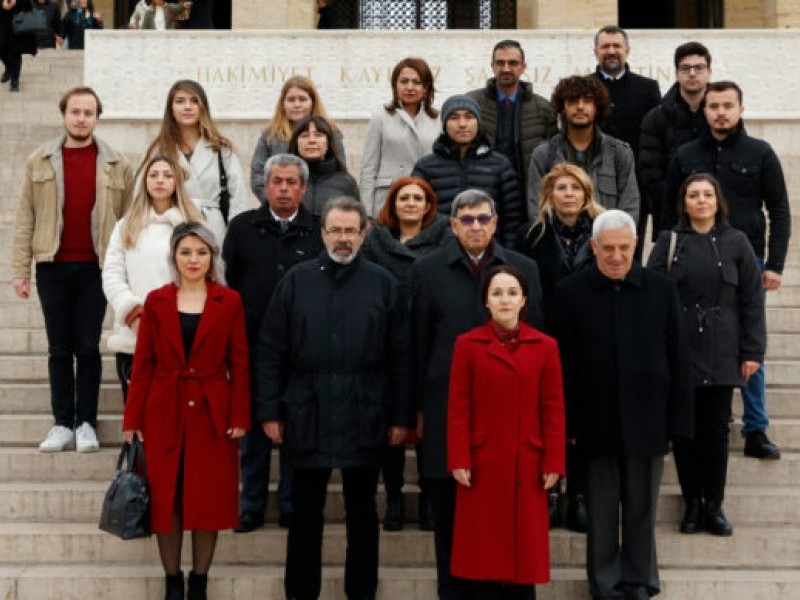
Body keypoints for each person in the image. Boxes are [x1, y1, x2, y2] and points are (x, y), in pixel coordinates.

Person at [254, 197, 414, 600]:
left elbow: (402, 356)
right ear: (322, 233)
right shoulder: (295, 281)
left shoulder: (384, 284)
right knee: (304, 514)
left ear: (364, 233)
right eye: (335, 230)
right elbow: (271, 351)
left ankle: (361, 593)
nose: (343, 238)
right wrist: (270, 411)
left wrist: (401, 417)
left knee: (363, 512)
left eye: (350, 231)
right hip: (306, 413)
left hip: (366, 413)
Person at [551, 209, 692, 600]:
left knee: (642, 507)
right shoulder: (569, 292)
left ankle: (639, 580)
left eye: (624, 248)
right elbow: (561, 366)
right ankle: (605, 583)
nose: (616, 256)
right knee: (600, 509)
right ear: (593, 246)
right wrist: (568, 425)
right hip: (593, 423)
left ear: (636, 246)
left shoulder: (661, 290)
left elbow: (679, 358)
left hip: (648, 419)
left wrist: (678, 422)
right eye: (608, 248)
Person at [411, 189, 543, 599]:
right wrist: (415, 409)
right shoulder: (427, 271)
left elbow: (537, 341)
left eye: (483, 219)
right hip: (445, 411)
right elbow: (415, 344)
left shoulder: (523, 269)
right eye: (466, 220)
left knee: (505, 513)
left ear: (495, 222)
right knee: (450, 510)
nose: (475, 227)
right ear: (452, 225)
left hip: (508, 419)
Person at [123, 221, 249, 600]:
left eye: (201, 252)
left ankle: (199, 583)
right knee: (168, 499)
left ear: (212, 257)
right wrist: (132, 418)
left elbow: (240, 362)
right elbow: (143, 364)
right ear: (174, 257)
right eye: (186, 252)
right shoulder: (157, 300)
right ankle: (172, 582)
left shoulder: (229, 301)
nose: (193, 259)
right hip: (164, 409)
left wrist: (240, 415)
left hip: (213, 413)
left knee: (206, 500)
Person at [665, 80, 791, 460]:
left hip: (746, 262)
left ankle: (755, 428)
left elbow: (780, 211)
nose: (721, 112)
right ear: (704, 110)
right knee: (687, 343)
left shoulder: (761, 153)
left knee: (749, 343)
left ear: (741, 109)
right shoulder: (685, 155)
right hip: (692, 264)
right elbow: (670, 212)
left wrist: (775, 264)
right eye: (714, 106)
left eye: (728, 106)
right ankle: (683, 422)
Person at [11, 86, 134, 453]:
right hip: (52, 266)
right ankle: (62, 423)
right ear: (64, 114)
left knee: (88, 347)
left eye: (88, 112)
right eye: (75, 112)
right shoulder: (39, 160)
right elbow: (25, 218)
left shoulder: (118, 163)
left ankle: (86, 423)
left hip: (97, 268)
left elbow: (129, 222)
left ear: (97, 117)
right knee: (59, 348)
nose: (81, 118)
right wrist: (20, 270)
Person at [648, 173, 765, 537]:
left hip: (722, 349)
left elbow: (752, 301)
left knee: (716, 431)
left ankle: (714, 505)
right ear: (683, 203)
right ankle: (692, 504)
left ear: (718, 201)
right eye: (693, 195)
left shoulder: (737, 242)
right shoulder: (668, 242)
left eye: (707, 195)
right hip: (680, 351)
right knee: (685, 432)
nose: (701, 201)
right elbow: (651, 299)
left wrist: (752, 350)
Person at [448, 265, 565, 600]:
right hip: (482, 462)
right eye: (497, 293)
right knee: (483, 552)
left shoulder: (545, 346)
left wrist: (554, 461)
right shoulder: (467, 345)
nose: (505, 300)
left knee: (523, 555)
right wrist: (458, 457)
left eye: (512, 293)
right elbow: (458, 407)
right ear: (486, 300)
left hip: (527, 462)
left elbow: (553, 409)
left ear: (524, 300)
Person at [223, 153, 324, 534]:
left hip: (302, 350)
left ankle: (290, 504)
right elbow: (229, 284)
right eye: (277, 181)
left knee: (295, 429)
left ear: (304, 188)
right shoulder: (242, 227)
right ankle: (251, 505)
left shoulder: (318, 230)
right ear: (265, 186)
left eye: (291, 182)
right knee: (253, 432)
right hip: (251, 347)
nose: (283, 188)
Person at [514, 162, 603, 533]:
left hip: (588, 339)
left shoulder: (601, 233)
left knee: (581, 418)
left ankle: (578, 494)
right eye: (561, 188)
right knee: (543, 417)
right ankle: (549, 493)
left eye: (575, 188)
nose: (569, 194)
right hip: (543, 335)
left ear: (586, 195)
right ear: (549, 195)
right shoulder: (531, 235)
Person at [360, 175, 451, 532]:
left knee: (430, 424)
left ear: (428, 205)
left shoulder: (445, 239)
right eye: (403, 198)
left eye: (417, 198)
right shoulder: (375, 241)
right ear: (393, 205)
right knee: (393, 425)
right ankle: (394, 496)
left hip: (430, 343)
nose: (410, 204)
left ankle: (429, 498)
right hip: (388, 345)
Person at [102, 155, 203, 402]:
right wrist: (134, 315)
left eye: (168, 175)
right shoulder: (125, 226)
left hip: (181, 335)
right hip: (135, 336)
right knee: (138, 415)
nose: (160, 180)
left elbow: (203, 275)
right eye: (153, 175)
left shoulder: (194, 226)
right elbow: (113, 275)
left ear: (177, 182)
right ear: (144, 181)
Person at [140, 79, 250, 245]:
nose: (187, 107)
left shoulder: (222, 150)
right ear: (171, 108)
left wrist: (236, 240)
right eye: (180, 101)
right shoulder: (157, 150)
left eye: (194, 101)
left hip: (212, 229)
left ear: (203, 107)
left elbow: (238, 199)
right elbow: (140, 197)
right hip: (168, 229)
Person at [412, 95, 525, 247]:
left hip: (489, 251)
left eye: (469, 117)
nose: (462, 124)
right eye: (454, 118)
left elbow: (512, 218)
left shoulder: (500, 165)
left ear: (478, 122)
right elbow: (417, 215)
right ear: (444, 124)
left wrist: (505, 253)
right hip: (440, 251)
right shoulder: (425, 167)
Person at [527, 75, 639, 225]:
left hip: (605, 237)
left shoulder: (619, 153)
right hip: (558, 237)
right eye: (573, 101)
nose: (580, 106)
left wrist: (612, 236)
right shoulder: (544, 154)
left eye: (587, 101)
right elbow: (536, 207)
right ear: (563, 107)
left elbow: (629, 206)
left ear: (597, 107)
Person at [639, 42, 712, 238]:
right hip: (671, 220)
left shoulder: (722, 115)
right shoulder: (656, 118)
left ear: (709, 72)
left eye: (699, 68)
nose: (692, 73)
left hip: (717, 219)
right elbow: (650, 173)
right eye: (685, 68)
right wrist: (683, 205)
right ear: (677, 73)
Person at [467, 39, 557, 190]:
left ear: (523, 67)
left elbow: (553, 154)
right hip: (483, 190)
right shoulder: (473, 103)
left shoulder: (543, 108)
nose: (506, 69)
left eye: (513, 63)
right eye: (500, 63)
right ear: (492, 66)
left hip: (527, 191)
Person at [359, 56, 440, 217]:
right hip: (387, 199)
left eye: (416, 82)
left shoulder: (438, 119)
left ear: (426, 88)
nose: (410, 87)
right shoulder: (380, 117)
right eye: (404, 81)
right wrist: (366, 213)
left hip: (425, 198)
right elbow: (368, 169)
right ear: (395, 86)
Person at [250, 75, 345, 205]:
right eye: (291, 100)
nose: (297, 105)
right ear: (283, 104)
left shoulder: (331, 134)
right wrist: (280, 203)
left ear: (313, 102)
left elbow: (340, 174)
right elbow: (257, 177)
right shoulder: (270, 135)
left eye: (302, 99)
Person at [287, 115, 359, 216]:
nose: (312, 140)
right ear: (296, 143)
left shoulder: (346, 182)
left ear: (328, 143)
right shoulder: (284, 181)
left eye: (318, 135)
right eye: (305, 135)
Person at [0, 0, 37, 92]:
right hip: (2, 20)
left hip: (18, 20)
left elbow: (30, 3)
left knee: (15, 51)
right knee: (1, 49)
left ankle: (14, 81)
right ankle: (9, 69)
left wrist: (16, 2)